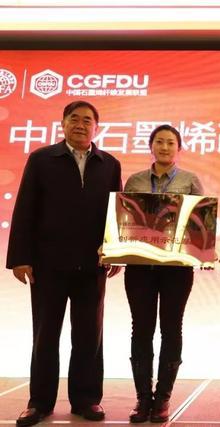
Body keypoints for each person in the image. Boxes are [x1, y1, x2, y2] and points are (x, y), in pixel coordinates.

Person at [7, 101, 122, 427]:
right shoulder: (42, 159)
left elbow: (116, 214)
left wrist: (116, 251)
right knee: (45, 335)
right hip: (48, 265)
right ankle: (39, 403)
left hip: (92, 266)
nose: (80, 125)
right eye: (74, 119)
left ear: (96, 128)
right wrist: (20, 258)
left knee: (89, 336)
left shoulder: (109, 164)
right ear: (63, 123)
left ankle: (87, 399)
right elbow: (25, 207)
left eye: (87, 120)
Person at [121, 124, 204, 423]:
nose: (165, 147)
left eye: (170, 142)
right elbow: (124, 219)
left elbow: (200, 224)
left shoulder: (190, 180)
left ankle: (163, 398)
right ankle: (143, 398)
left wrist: (204, 251)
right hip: (140, 266)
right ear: (151, 146)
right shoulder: (135, 180)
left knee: (171, 329)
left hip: (176, 269)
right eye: (159, 142)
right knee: (141, 329)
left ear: (178, 148)